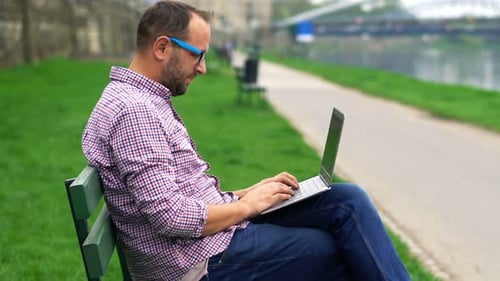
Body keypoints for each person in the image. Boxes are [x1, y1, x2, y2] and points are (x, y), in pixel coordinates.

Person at [82, 1, 411, 280]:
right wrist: (246, 207)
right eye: (198, 55)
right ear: (163, 47)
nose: (203, 69)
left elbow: (180, 197)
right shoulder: (134, 113)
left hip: (209, 239)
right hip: (194, 264)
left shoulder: (142, 101)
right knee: (333, 249)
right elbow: (171, 217)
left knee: (346, 199)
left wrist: (248, 194)